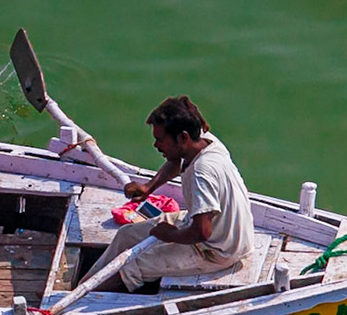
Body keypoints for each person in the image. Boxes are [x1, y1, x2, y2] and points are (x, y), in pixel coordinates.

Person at [92, 95, 254, 292]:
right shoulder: (204, 141)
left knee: (130, 268)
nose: (156, 145)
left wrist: (170, 235)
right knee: (126, 235)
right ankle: (84, 284)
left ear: (183, 138)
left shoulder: (201, 173)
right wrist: (149, 188)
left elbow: (202, 232)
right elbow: (177, 161)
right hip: (207, 225)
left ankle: (84, 300)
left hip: (217, 250)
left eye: (160, 140)